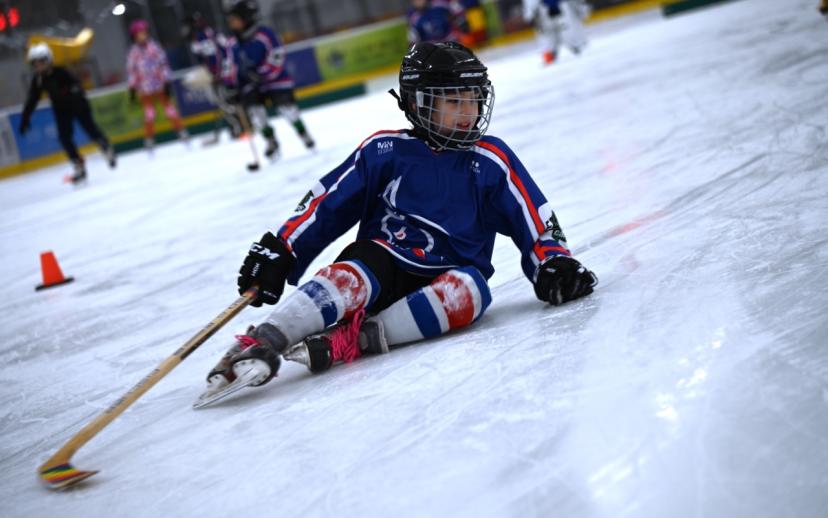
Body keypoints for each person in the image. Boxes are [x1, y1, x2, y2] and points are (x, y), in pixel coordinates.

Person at [201, 42, 597, 397]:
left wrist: (552, 262)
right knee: (348, 277)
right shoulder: (385, 150)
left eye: (473, 99)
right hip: (380, 264)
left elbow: (533, 218)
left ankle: (354, 339)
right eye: (453, 101)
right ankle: (265, 339)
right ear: (419, 103)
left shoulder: (491, 160)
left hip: (448, 273)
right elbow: (326, 204)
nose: (468, 112)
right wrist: (283, 248)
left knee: (472, 292)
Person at [222, 0, 315, 159]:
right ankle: (271, 141)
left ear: (246, 18)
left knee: (287, 109)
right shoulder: (231, 43)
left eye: (234, 19)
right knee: (255, 113)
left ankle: (303, 132)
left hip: (275, 80)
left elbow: (277, 55)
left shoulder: (264, 34)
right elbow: (229, 65)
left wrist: (262, 73)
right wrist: (230, 85)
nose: (231, 23)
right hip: (250, 83)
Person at [19, 43, 116, 185]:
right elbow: (32, 99)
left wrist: (73, 93)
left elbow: (77, 85)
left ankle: (106, 148)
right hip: (61, 110)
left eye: (42, 62)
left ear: (48, 60)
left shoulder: (61, 72)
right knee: (64, 138)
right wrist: (25, 117)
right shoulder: (38, 80)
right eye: (36, 63)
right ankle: (79, 166)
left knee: (90, 129)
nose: (39, 66)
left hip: (78, 105)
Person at [126, 19, 188, 151]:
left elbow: (163, 64)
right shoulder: (133, 52)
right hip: (144, 88)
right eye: (139, 34)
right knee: (149, 114)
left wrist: (166, 82)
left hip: (159, 85)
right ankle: (149, 138)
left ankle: (181, 131)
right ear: (134, 36)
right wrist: (132, 88)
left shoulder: (154, 47)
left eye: (144, 33)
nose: (142, 36)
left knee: (170, 109)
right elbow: (132, 71)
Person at [181, 12, 243, 140]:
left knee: (229, 100)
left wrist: (220, 72)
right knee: (219, 102)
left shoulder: (210, 34)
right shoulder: (196, 40)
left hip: (225, 73)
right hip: (214, 74)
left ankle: (241, 125)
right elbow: (202, 60)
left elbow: (223, 52)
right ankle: (235, 125)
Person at [523, 0, 591, 65]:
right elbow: (530, 4)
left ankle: (576, 46)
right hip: (543, 13)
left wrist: (581, 8)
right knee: (547, 37)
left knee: (570, 32)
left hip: (563, 8)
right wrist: (530, 14)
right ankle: (549, 53)